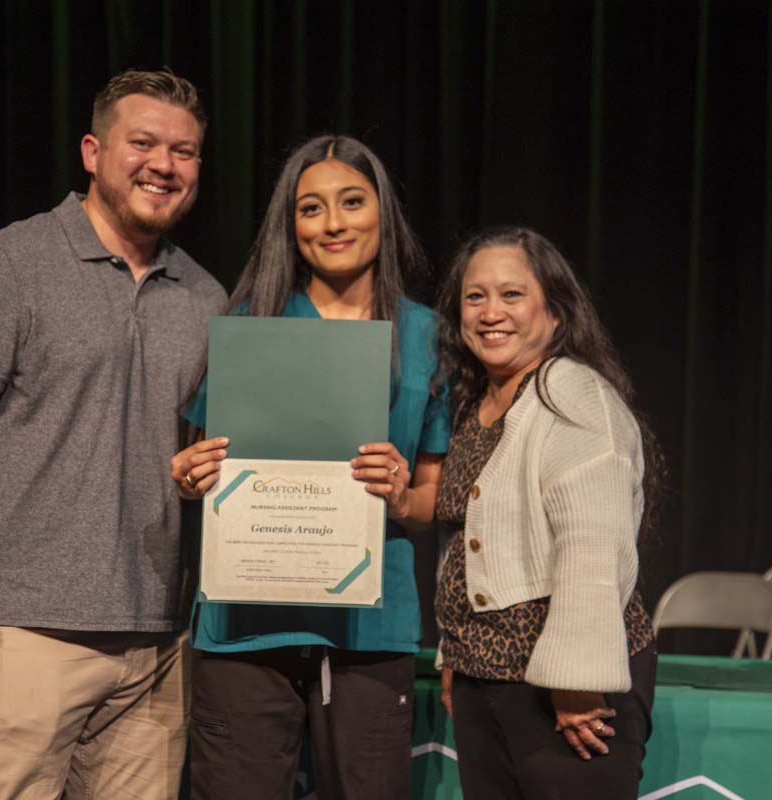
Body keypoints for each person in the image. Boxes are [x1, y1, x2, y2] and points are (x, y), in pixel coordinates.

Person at [0, 69, 225, 798]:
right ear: (92, 152)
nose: (163, 164)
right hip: (21, 636)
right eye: (142, 143)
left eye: (183, 151)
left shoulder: (207, 297)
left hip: (157, 647)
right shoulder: (9, 264)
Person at [170, 134, 450, 799]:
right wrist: (190, 475)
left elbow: (432, 498)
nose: (332, 224)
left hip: (368, 630)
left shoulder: (426, 335)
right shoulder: (250, 323)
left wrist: (402, 495)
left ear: (382, 212)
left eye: (351, 202)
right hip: (245, 627)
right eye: (311, 208)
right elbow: (201, 462)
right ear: (289, 226)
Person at [431, 227, 661, 799]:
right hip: (484, 675)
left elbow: (593, 547)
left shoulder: (572, 395)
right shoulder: (478, 403)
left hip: (564, 688)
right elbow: (469, 543)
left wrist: (577, 683)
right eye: (475, 297)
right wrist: (455, 653)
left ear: (556, 313)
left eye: (512, 294)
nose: (490, 312)